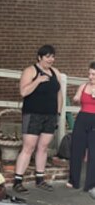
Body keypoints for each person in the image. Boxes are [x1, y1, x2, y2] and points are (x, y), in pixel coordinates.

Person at [13, 45, 63, 193]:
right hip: (33, 114)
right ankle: (18, 181)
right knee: (28, 147)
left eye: (52, 56)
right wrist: (38, 81)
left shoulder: (55, 72)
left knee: (43, 147)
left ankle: (40, 179)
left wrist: (58, 113)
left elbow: (59, 94)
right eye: (48, 56)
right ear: (40, 57)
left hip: (50, 115)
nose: (51, 59)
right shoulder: (30, 71)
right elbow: (23, 92)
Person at [67, 61, 95, 192]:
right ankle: (73, 181)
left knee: (93, 152)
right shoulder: (83, 86)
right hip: (82, 118)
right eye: (89, 74)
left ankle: (91, 184)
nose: (90, 77)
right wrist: (76, 98)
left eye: (93, 74)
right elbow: (76, 98)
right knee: (76, 149)